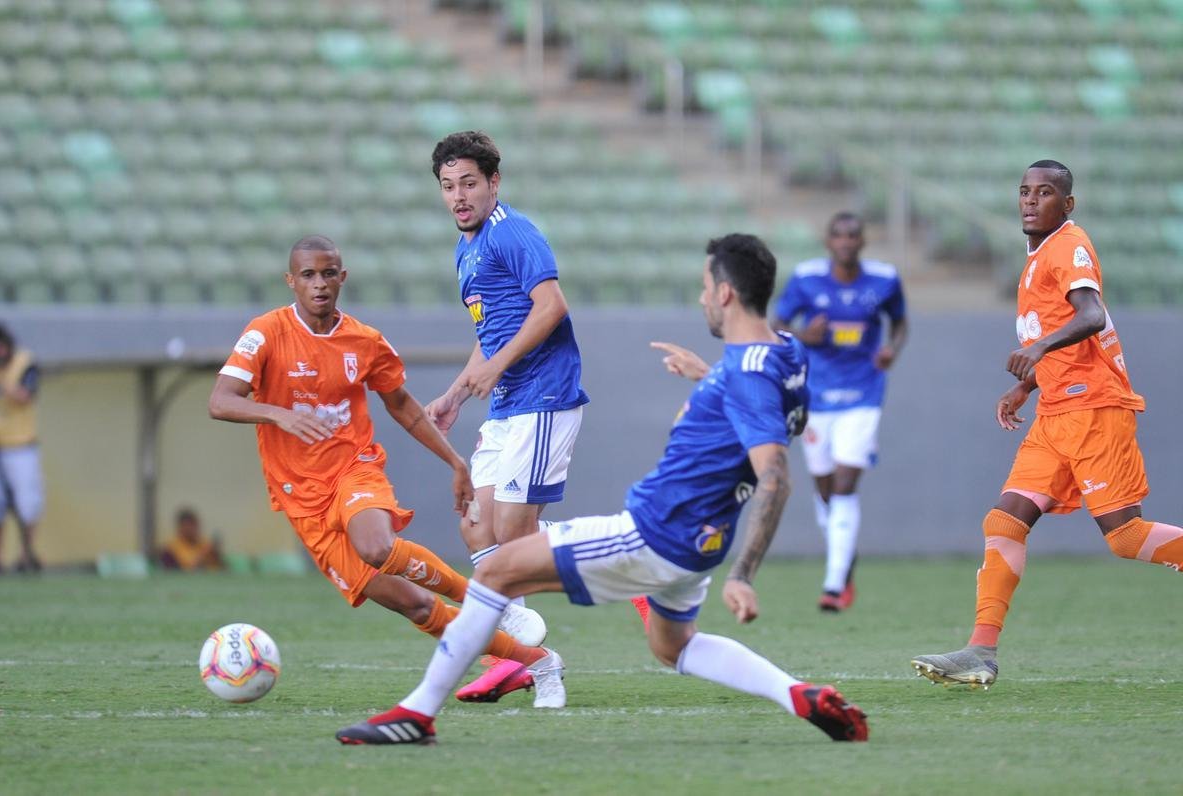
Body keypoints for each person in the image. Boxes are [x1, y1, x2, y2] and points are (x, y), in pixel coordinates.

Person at [335, 234, 869, 746]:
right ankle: (797, 694)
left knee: (495, 570)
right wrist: (707, 378)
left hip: (654, 533)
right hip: (702, 544)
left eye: (707, 287)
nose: (703, 296)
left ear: (726, 293)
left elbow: (775, 474)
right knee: (674, 646)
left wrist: (745, 576)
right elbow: (768, 411)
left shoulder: (748, 375)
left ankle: (417, 715)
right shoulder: (786, 353)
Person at [209, 235, 564, 708]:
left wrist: (455, 461)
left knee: (376, 545)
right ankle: (538, 661)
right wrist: (279, 414)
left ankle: (496, 606)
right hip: (301, 498)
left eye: (328, 273)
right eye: (308, 275)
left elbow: (405, 408)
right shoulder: (266, 333)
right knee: (414, 605)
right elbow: (221, 400)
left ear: (343, 277)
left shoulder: (365, 341)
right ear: (290, 281)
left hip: (353, 470)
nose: (319, 284)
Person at [911, 160, 1183, 689]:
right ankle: (980, 651)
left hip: (1094, 410)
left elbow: (1091, 315)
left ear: (1068, 204)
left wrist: (1035, 348)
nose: (1031, 200)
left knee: (1124, 537)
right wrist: (1027, 384)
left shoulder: (1068, 245)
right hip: (1056, 411)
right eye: (1023, 192)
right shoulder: (1039, 256)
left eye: (1045, 192)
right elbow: (1067, 333)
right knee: (1005, 522)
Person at [422, 131, 589, 699]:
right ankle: (520, 649)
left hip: (544, 397)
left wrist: (495, 370)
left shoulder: (512, 234)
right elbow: (490, 334)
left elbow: (551, 307)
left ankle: (615, 548)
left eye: (469, 183)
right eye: (448, 186)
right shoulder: (465, 249)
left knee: (516, 538)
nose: (458, 196)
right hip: (506, 403)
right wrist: (456, 393)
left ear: (494, 182)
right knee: (475, 524)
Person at [773, 212, 907, 612]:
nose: (847, 241)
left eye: (853, 235)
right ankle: (844, 559)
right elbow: (776, 324)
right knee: (825, 488)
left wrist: (891, 351)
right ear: (828, 242)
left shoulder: (884, 279)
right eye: (839, 235)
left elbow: (900, 324)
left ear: (862, 241)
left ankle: (833, 585)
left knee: (846, 482)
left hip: (864, 393)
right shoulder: (807, 278)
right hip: (815, 394)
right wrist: (802, 335)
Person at [0, 322, 44, 574]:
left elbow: (25, 395)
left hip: (21, 446)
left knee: (27, 504)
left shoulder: (24, 363)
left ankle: (25, 555)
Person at [159, 507, 224, 571]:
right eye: (186, 526)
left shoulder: (206, 544)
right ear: (179, 528)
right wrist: (201, 558)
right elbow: (177, 572)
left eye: (192, 525)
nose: (190, 529)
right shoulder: (170, 549)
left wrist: (214, 556)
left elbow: (220, 568)